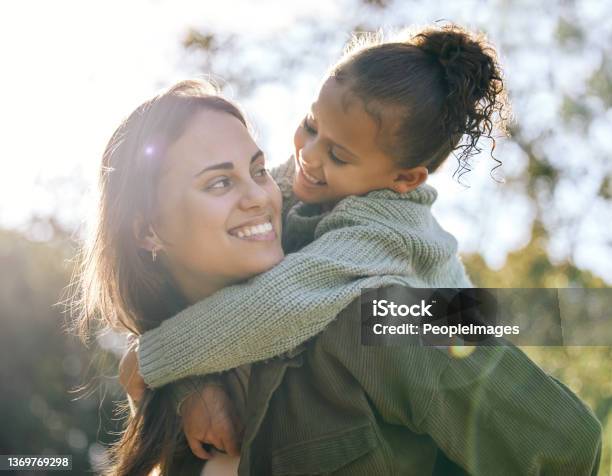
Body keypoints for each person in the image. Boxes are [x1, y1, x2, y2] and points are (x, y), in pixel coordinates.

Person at [120, 24, 602, 474]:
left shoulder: (379, 242)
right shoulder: (318, 185)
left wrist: (154, 358)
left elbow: (283, 302)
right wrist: (188, 381)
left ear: (403, 179)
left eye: (338, 155)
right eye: (310, 126)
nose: (307, 158)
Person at [71, 79, 285, 475]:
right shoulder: (162, 399)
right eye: (219, 182)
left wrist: (161, 358)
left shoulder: (339, 301)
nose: (259, 196)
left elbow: (440, 314)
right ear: (148, 231)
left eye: (259, 170)